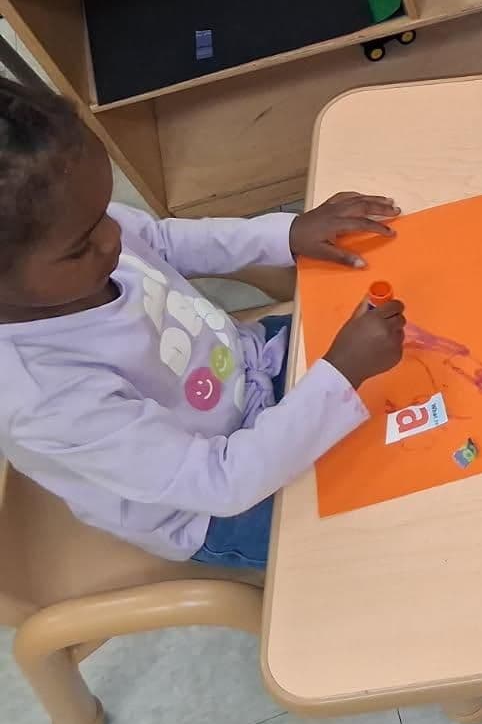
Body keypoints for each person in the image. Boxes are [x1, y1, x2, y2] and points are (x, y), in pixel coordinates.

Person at [0, 80, 407, 569]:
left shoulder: (70, 222)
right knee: (392, 542)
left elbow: (164, 241)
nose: (114, 239)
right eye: (81, 246)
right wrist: (339, 375)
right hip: (217, 502)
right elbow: (221, 482)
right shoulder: (45, 396)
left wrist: (288, 233)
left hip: (252, 367)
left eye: (105, 213)